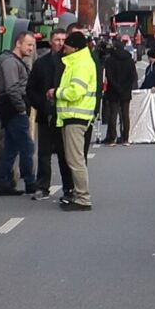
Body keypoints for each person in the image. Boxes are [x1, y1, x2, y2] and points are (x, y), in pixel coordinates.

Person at [55, 28, 99, 211]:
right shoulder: (78, 62)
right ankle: (79, 195)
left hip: (76, 117)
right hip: (74, 117)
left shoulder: (80, 65)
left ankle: (83, 197)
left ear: (74, 48)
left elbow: (75, 92)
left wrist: (56, 92)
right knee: (74, 159)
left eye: (66, 45)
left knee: (75, 161)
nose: (63, 48)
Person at [0, 31, 38, 196]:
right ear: (18, 43)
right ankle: (30, 181)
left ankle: (4, 182)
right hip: (13, 108)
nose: (31, 48)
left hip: (12, 107)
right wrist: (21, 108)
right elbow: (12, 88)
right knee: (27, 146)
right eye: (29, 44)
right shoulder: (10, 63)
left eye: (33, 45)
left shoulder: (14, 62)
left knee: (11, 147)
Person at [27, 32, 66, 201]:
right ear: (51, 42)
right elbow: (31, 89)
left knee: (65, 155)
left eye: (63, 40)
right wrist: (40, 105)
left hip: (64, 116)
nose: (60, 43)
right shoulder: (40, 64)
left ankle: (69, 188)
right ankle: (42, 186)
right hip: (45, 116)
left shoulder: (69, 63)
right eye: (57, 40)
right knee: (44, 154)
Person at [99, 34, 137, 146]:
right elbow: (132, 76)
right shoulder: (129, 60)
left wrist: (116, 87)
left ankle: (112, 138)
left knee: (113, 114)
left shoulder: (110, 61)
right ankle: (125, 138)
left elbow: (109, 76)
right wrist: (126, 87)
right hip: (126, 91)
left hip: (113, 90)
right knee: (125, 115)